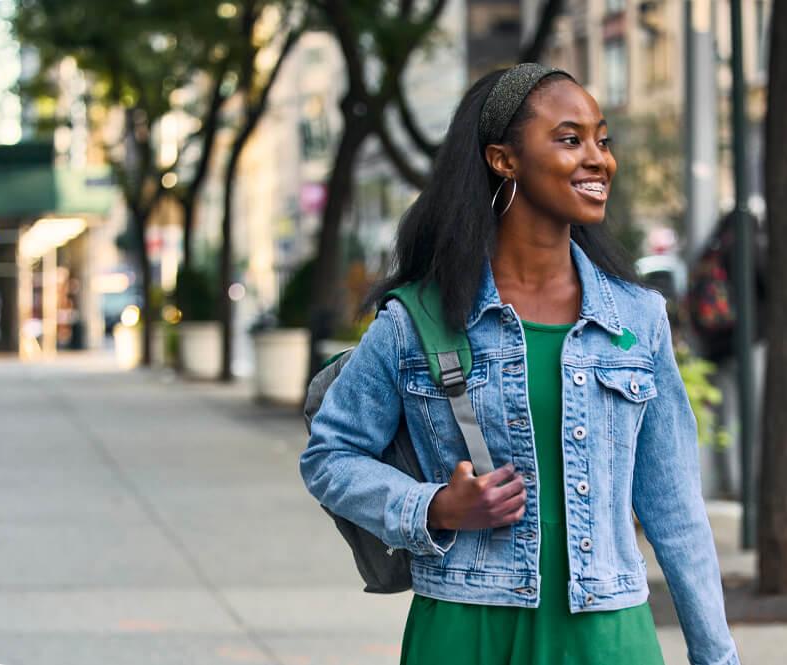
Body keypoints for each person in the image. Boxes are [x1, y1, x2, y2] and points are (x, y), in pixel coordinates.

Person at [300, 63, 740, 665]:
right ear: (503, 159)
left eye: (602, 141)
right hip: (466, 629)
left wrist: (716, 655)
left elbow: (676, 511)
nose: (598, 159)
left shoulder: (638, 320)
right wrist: (432, 506)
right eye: (569, 139)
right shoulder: (419, 320)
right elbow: (330, 455)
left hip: (606, 634)